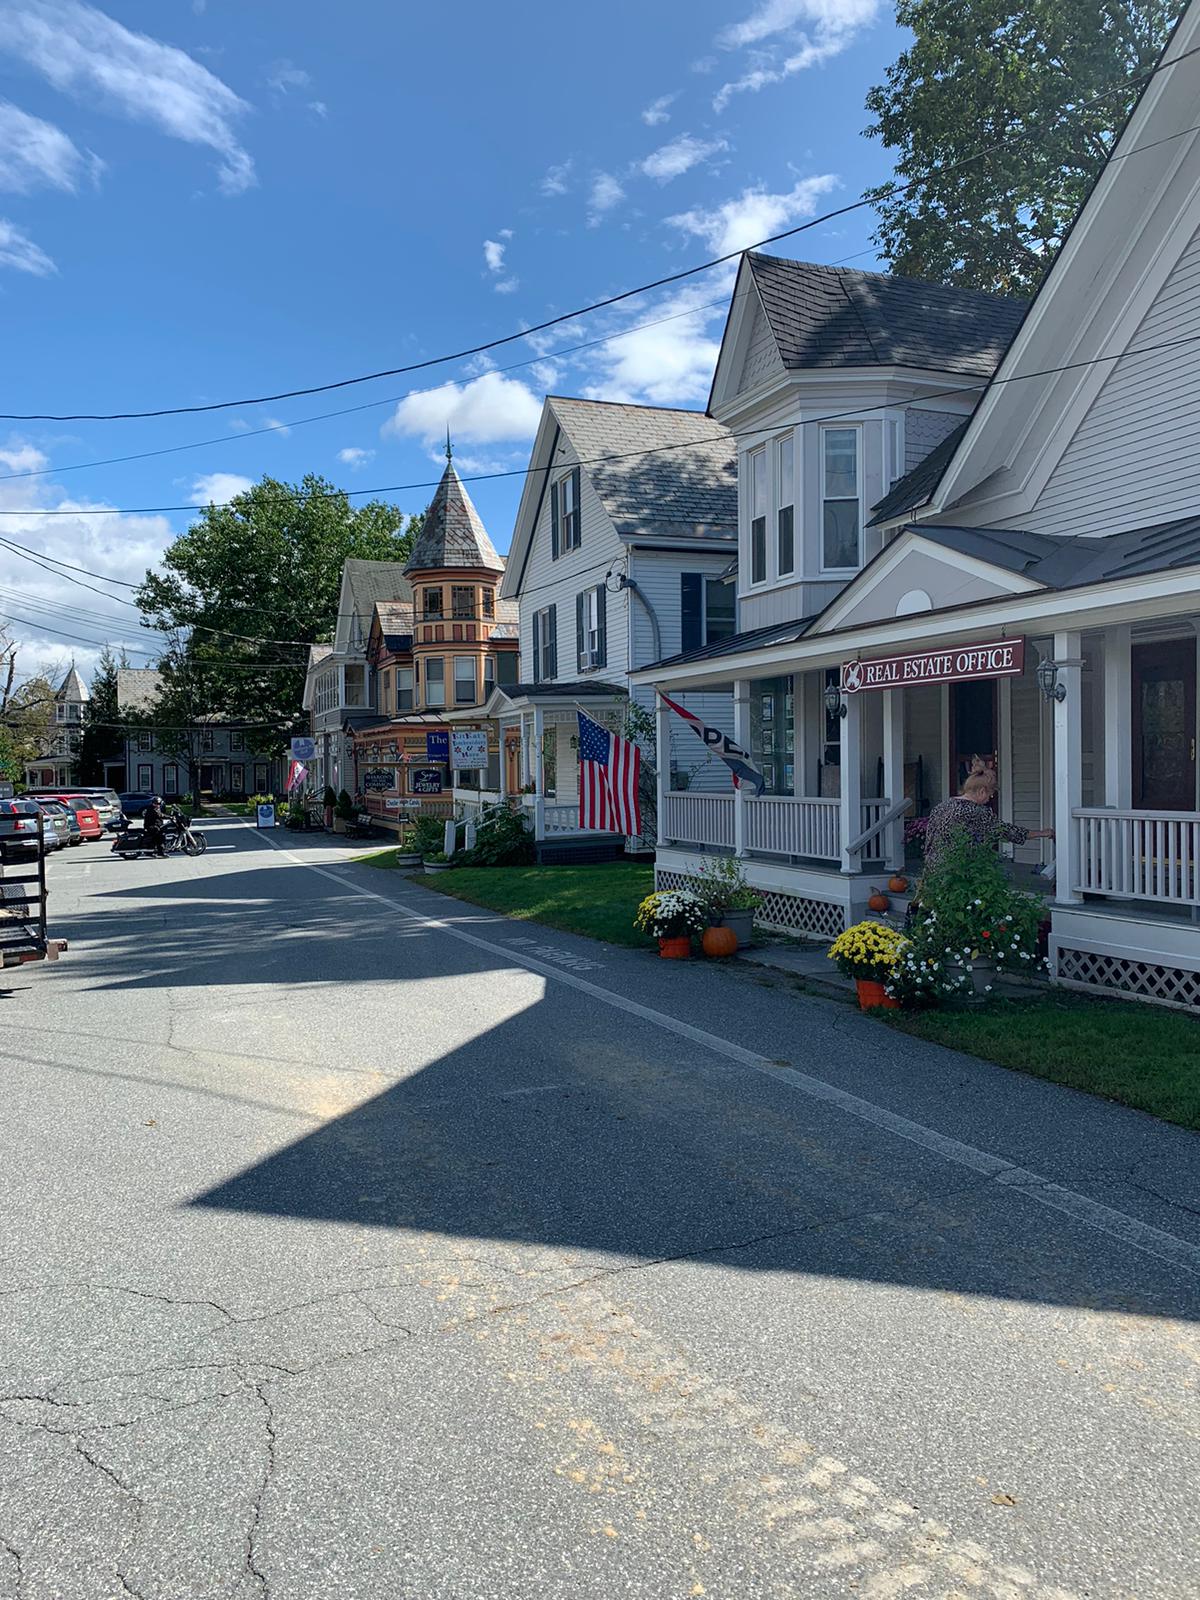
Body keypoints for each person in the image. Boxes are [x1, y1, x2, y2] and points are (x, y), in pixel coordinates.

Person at [921, 756, 1053, 874]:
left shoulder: (942, 806)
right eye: (990, 794)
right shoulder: (976, 811)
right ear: (982, 791)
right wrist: (1042, 833)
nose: (990, 798)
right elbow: (1006, 831)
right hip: (958, 873)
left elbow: (929, 840)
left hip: (933, 869)